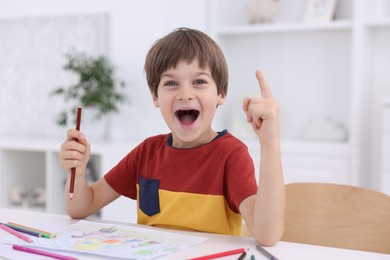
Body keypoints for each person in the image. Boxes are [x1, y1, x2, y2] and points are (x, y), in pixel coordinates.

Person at [59, 27, 285, 246]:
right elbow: (80, 207)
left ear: (221, 93)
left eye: (199, 82)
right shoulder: (146, 152)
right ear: (155, 97)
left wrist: (269, 143)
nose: (185, 94)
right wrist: (76, 174)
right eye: (171, 83)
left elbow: (267, 234)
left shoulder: (231, 154)